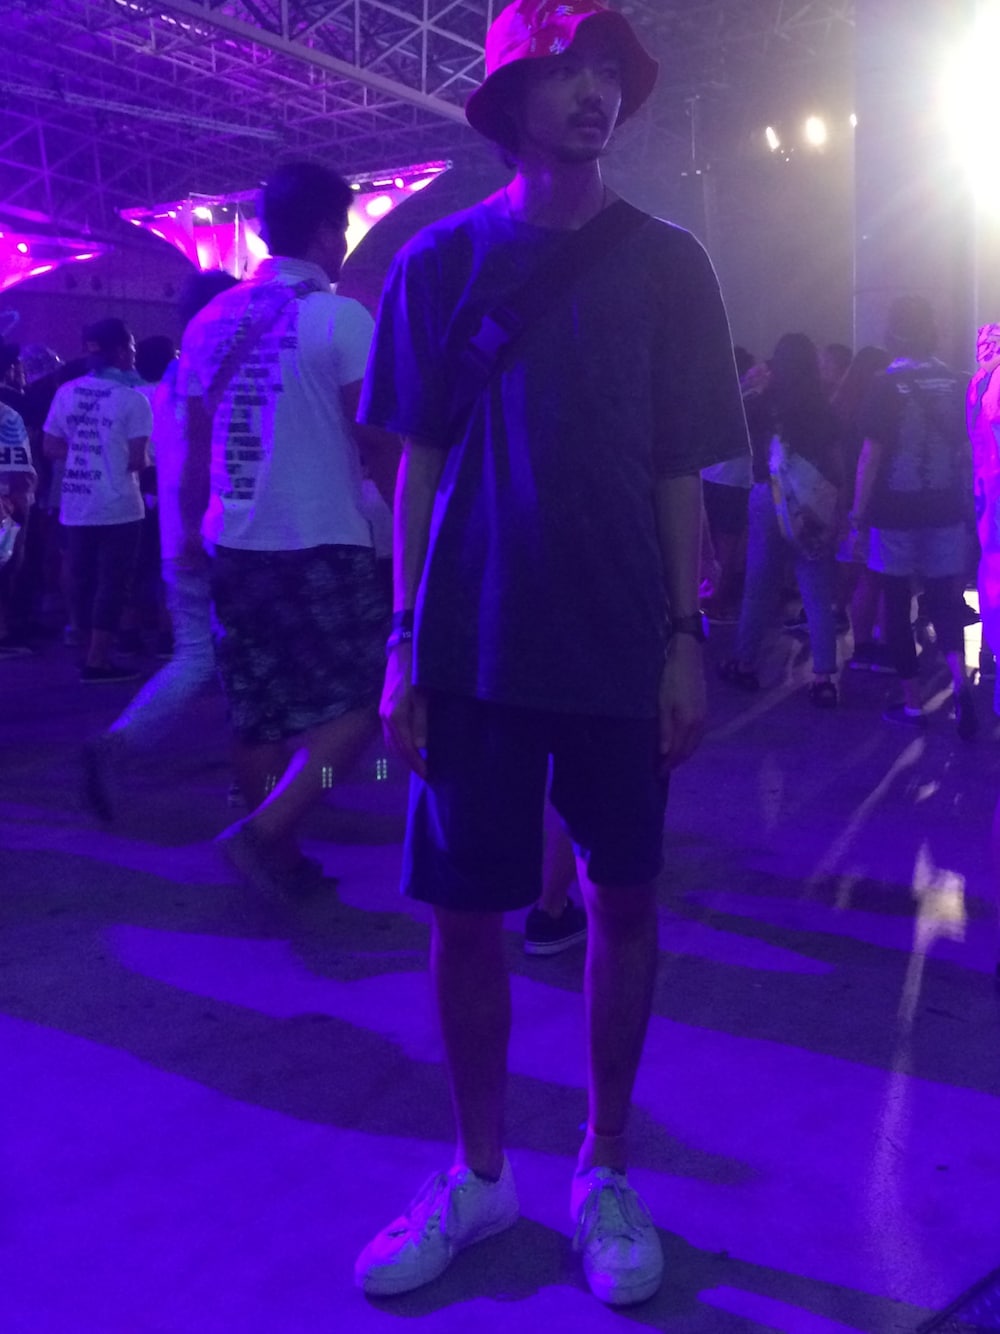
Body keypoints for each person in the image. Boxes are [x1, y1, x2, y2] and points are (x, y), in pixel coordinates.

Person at [353, 0, 748, 1307]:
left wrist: (685, 636)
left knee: (622, 897)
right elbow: (418, 465)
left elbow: (678, 467)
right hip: (470, 641)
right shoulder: (437, 264)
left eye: (606, 71)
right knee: (464, 914)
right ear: (506, 101)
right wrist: (402, 639)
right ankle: (480, 1172)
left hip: (621, 641)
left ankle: (605, 1164)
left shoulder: (670, 264)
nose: (592, 92)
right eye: (562, 70)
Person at [175, 160, 399, 896]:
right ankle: (266, 830)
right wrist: (416, 533)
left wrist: (189, 533)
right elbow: (378, 441)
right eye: (343, 228)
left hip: (233, 542)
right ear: (325, 232)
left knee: (259, 713)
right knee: (365, 701)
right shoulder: (342, 319)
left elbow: (198, 448)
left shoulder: (209, 321)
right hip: (322, 542)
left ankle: (279, 854)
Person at [81, 273, 239, 822]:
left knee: (197, 656)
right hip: (219, 529)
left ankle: (120, 741)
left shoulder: (169, 378)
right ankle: (256, 779)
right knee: (251, 656)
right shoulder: (214, 371)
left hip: (178, 531)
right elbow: (207, 452)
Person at [853, 296, 976, 735]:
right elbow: (968, 452)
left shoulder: (884, 385)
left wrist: (858, 512)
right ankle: (960, 683)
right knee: (944, 601)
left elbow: (871, 455)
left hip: (894, 511)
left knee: (896, 602)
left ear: (893, 333)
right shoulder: (959, 383)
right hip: (946, 508)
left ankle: (912, 703)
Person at [719, 332, 842, 706]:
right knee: (816, 590)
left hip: (767, 497)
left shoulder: (763, 403)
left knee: (759, 584)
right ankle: (823, 677)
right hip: (810, 504)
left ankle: (744, 662)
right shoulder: (824, 409)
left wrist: (750, 383)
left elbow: (728, 418)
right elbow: (836, 462)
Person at [43, 319, 151, 682]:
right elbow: (138, 460)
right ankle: (98, 659)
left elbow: (50, 445)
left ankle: (83, 643)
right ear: (119, 351)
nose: (133, 353)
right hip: (119, 503)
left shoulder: (67, 392)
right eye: (131, 346)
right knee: (114, 581)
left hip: (77, 500)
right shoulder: (133, 399)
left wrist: (84, 456)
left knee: (82, 576)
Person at [967, 322, 1000, 713]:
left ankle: (990, 655)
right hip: (994, 491)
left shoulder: (977, 381)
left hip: (985, 490)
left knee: (991, 576)